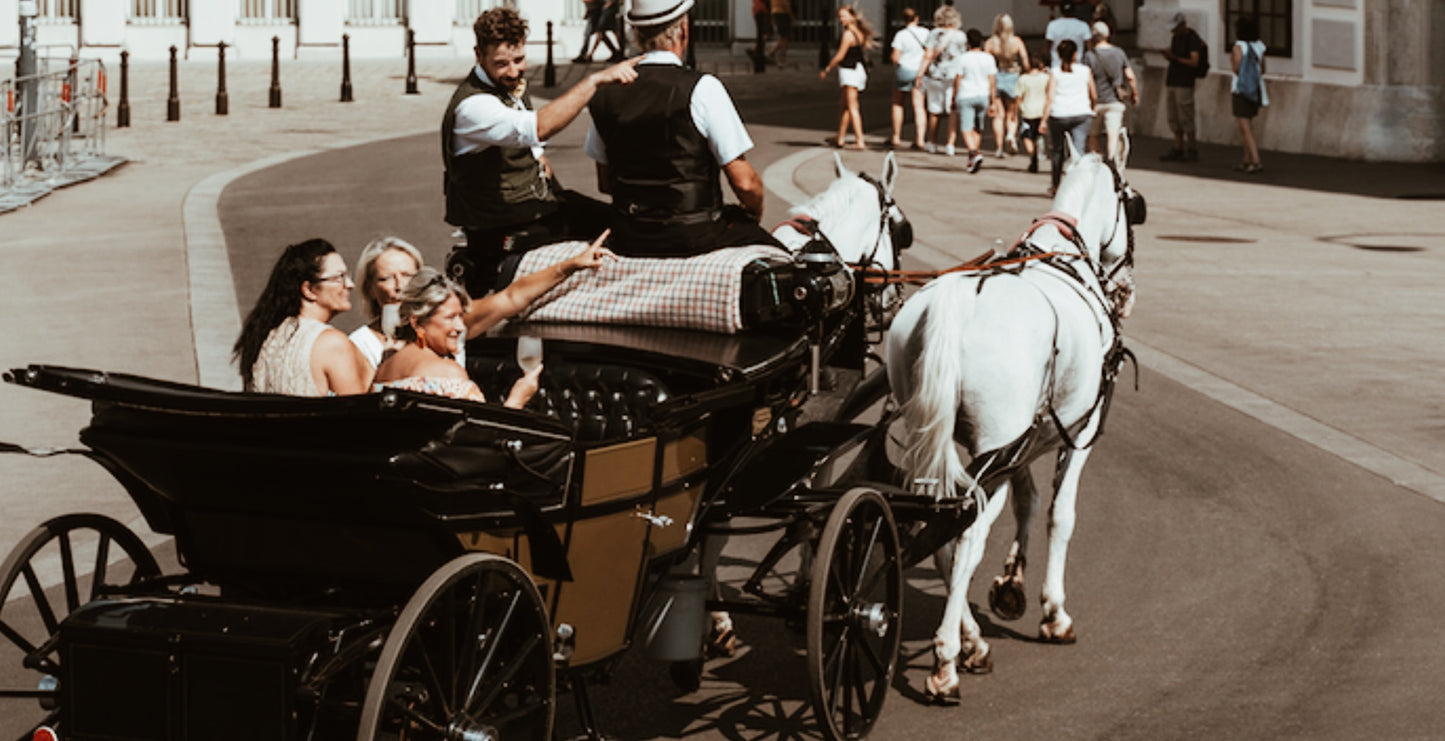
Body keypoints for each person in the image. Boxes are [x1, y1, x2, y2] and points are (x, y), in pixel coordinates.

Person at [443, 7, 638, 297]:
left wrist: (547, 175)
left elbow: (535, 152)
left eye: (519, 60)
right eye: (501, 64)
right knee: (617, 231)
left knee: (620, 221)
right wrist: (594, 81)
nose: (513, 71)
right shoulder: (473, 106)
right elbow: (538, 127)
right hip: (500, 222)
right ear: (478, 55)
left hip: (534, 206)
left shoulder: (510, 87)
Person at [586, 0, 778, 257]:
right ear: (684, 30)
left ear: (636, 34)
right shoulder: (703, 88)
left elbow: (605, 183)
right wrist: (753, 213)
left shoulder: (605, 92)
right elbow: (745, 183)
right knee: (783, 258)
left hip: (628, 232)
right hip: (694, 235)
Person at [374, 233, 616, 406]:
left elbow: (513, 297)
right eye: (450, 318)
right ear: (417, 323)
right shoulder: (447, 375)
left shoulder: (384, 368)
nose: (460, 326)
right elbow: (481, 442)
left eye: (460, 316)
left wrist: (571, 265)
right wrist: (517, 399)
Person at [234, 239, 373, 396]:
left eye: (347, 275)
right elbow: (356, 407)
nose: (350, 284)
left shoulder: (262, 338)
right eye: (339, 277)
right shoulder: (331, 343)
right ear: (309, 290)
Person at [1040, 38, 1096, 195]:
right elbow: (1093, 94)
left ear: (1059, 55)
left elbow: (1050, 98)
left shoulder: (1055, 72)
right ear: (1076, 54)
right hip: (1081, 113)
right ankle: (1078, 186)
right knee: (1078, 151)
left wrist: (1044, 120)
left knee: (1057, 151)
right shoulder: (1085, 71)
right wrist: (1093, 107)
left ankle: (1055, 185)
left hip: (1059, 114)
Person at [821, 5, 878, 151]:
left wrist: (827, 68)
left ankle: (860, 139)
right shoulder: (859, 32)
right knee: (844, 105)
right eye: (840, 16)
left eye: (844, 16)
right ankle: (840, 137)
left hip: (849, 71)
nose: (841, 19)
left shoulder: (848, 34)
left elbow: (840, 55)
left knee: (852, 107)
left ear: (852, 16)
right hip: (858, 70)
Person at [1084, 21, 1137, 161]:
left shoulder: (1089, 56)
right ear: (1108, 35)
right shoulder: (1119, 53)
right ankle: (1112, 161)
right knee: (1113, 134)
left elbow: (1087, 80)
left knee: (1093, 134)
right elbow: (1130, 76)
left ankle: (1097, 162)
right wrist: (1134, 93)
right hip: (1115, 101)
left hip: (1095, 102)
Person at [917, 4, 966, 155]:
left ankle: (932, 142)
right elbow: (963, 57)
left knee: (934, 111)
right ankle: (950, 144)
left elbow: (928, 55)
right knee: (953, 110)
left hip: (935, 76)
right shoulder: (960, 36)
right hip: (954, 76)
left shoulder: (933, 34)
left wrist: (920, 74)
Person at [1160, 11, 1205, 162]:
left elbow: (1194, 61)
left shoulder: (1192, 38)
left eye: (1176, 28)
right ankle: (1177, 146)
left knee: (1186, 115)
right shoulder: (1176, 38)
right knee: (1173, 116)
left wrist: (1175, 58)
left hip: (1184, 82)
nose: (1173, 31)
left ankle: (1192, 148)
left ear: (1182, 25)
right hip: (1173, 80)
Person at [984, 13, 1029, 158]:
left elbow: (986, 63)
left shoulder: (990, 43)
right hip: (1013, 75)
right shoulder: (1016, 41)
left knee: (998, 115)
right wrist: (1027, 72)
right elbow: (1025, 61)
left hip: (997, 76)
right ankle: (1010, 135)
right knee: (1012, 113)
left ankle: (998, 148)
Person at [953, 28, 998, 174]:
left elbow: (958, 79)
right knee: (978, 127)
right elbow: (992, 81)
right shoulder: (988, 58)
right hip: (983, 95)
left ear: (968, 42)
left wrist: (954, 97)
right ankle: (974, 155)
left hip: (966, 94)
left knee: (966, 127)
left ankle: (973, 152)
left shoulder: (963, 58)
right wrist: (993, 101)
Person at [1231, 16, 1268, 173]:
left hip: (1240, 90)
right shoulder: (1259, 46)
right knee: (1248, 126)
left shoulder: (1239, 46)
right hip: (1256, 90)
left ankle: (1255, 161)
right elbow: (1263, 69)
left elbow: (1236, 68)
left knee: (1245, 129)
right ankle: (1246, 160)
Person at [889, 8, 929, 151]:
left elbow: (895, 57)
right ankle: (920, 139)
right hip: (920, 71)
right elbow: (929, 53)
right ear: (916, 18)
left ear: (903, 20)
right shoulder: (926, 33)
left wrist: (899, 63)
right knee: (919, 106)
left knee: (897, 103)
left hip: (904, 70)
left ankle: (896, 136)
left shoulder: (901, 35)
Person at [1015, 50, 1050, 173]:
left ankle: (1032, 154)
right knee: (1038, 135)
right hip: (1042, 110)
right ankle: (1039, 149)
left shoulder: (1023, 79)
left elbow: (1019, 97)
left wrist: (1015, 112)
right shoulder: (1046, 78)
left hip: (1027, 111)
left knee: (1026, 136)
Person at [1045, 0, 1092, 68]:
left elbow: (1047, 47)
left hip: (1057, 66)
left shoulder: (1052, 25)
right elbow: (1089, 47)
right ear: (1074, 10)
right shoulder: (1083, 25)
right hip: (1077, 66)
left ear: (1060, 10)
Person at [767, 0, 793, 65]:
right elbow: (785, 3)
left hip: (776, 12)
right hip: (782, 13)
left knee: (784, 37)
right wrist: (792, 17)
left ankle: (771, 53)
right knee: (785, 37)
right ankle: (781, 59)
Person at [748, 0, 772, 67]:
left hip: (756, 9)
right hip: (763, 10)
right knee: (765, 33)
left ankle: (756, 50)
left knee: (761, 33)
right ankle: (758, 52)